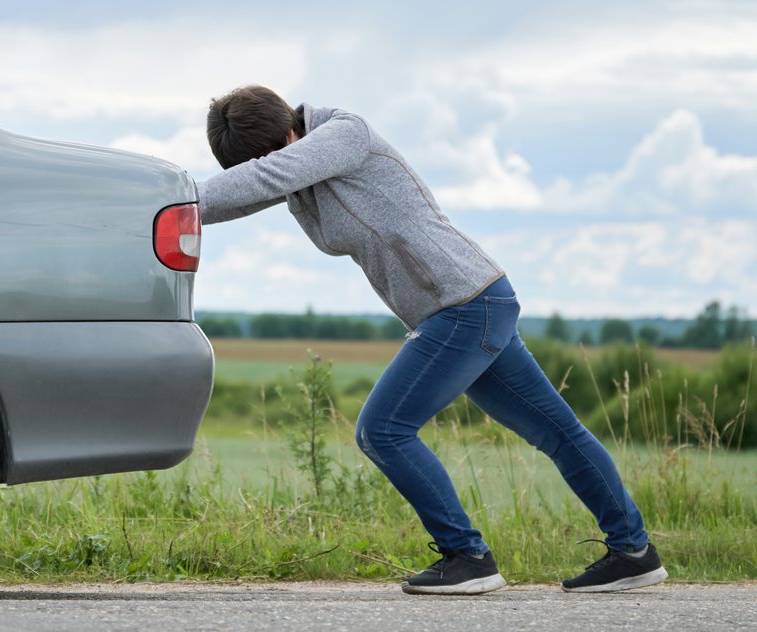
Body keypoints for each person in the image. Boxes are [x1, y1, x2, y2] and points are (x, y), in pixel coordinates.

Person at [195, 85, 668, 595]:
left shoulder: (343, 134)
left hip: (463, 304)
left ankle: (467, 556)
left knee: (384, 429)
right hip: (472, 302)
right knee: (557, 431)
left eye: (272, 154)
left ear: (289, 131)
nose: (268, 166)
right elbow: (249, 191)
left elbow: (267, 175)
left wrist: (175, 199)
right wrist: (157, 208)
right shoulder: (294, 162)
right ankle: (634, 551)